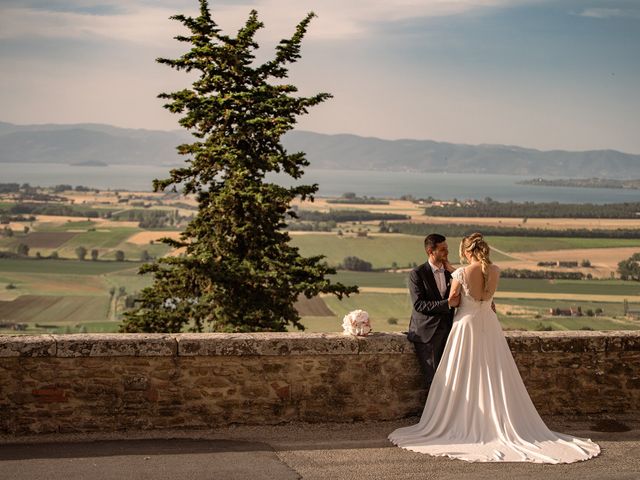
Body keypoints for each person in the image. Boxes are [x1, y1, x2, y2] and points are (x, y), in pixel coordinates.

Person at [390, 233, 600, 463]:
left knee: (460, 375)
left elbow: (454, 300)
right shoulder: (494, 271)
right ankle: (491, 421)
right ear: (431, 251)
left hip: (465, 327)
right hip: (488, 325)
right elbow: (484, 298)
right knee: (491, 373)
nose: (449, 253)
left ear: (467, 252)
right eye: (443, 249)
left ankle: (458, 420)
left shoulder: (459, 273)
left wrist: (456, 278)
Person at [407, 234, 456, 392]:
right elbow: (419, 304)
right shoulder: (417, 274)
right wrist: (447, 304)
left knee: (451, 378)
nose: (446, 252)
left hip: (450, 332)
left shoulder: (451, 273)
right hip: (427, 333)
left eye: (447, 248)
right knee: (434, 379)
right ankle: (433, 416)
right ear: (430, 251)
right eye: (442, 249)